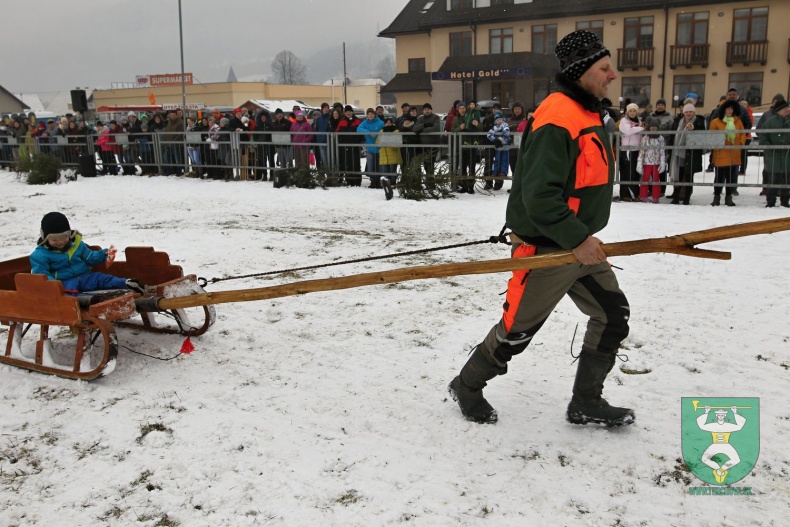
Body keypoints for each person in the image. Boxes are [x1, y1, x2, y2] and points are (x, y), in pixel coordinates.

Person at [448, 30, 633, 427]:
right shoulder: (558, 116)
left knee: (612, 315)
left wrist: (581, 240)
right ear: (582, 71)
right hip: (550, 248)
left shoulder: (585, 112)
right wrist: (579, 240)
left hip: (577, 244)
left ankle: (586, 401)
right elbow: (539, 198)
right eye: (604, 68)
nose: (612, 75)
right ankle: (466, 385)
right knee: (516, 333)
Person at [30, 212, 145, 296]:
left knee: (101, 278)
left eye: (64, 237)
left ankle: (126, 284)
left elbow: (89, 257)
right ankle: (87, 301)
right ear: (45, 238)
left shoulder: (77, 245)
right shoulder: (40, 255)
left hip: (84, 277)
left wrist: (103, 254)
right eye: (54, 240)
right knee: (70, 292)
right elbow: (42, 275)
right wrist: (55, 285)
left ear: (69, 234)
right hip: (64, 283)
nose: (60, 242)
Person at [708, 99, 746, 206]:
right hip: (720, 154)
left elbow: (743, 133)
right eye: (728, 109)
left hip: (734, 154)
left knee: (730, 179)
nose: (730, 111)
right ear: (723, 110)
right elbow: (712, 136)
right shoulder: (715, 122)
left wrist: (741, 143)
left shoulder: (738, 121)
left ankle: (728, 198)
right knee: (719, 178)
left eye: (731, 109)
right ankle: (717, 197)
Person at [668, 103, 706, 205]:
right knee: (678, 176)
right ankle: (676, 197)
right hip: (678, 153)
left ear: (694, 112)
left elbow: (703, 134)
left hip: (692, 154)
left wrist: (693, 128)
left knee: (689, 176)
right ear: (683, 112)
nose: (688, 114)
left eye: (691, 111)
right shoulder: (678, 122)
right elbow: (673, 136)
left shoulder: (699, 121)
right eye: (686, 112)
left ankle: (686, 198)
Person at [759, 99, 790, 208]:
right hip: (773, 156)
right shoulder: (770, 122)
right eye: (784, 108)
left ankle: (785, 201)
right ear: (778, 110)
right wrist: (769, 146)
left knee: (787, 180)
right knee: (772, 180)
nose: (787, 109)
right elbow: (762, 136)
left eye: (788, 107)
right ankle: (770, 201)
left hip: (787, 156)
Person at [636, 116, 666, 203]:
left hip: (656, 163)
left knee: (656, 180)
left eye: (655, 126)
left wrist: (662, 162)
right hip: (646, 162)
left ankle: (656, 197)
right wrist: (639, 162)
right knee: (645, 179)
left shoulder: (660, 138)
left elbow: (662, 151)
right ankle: (643, 195)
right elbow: (642, 151)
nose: (653, 128)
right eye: (652, 126)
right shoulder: (645, 138)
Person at [452, 101, 480, 194]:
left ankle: (471, 186)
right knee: (463, 167)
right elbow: (453, 131)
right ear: (458, 109)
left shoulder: (471, 116)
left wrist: (477, 124)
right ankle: (463, 186)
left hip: (471, 145)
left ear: (466, 108)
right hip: (461, 147)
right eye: (460, 108)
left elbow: (481, 128)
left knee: (471, 167)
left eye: (463, 108)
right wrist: (460, 128)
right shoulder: (456, 119)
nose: (462, 110)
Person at [618, 103, 644, 201]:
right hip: (627, 150)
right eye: (630, 111)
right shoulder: (624, 121)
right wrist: (641, 128)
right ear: (627, 112)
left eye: (634, 111)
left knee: (634, 172)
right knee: (628, 172)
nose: (632, 113)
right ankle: (627, 195)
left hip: (636, 149)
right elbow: (628, 131)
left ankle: (634, 193)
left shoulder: (639, 121)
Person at [650, 98, 674, 197]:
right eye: (658, 104)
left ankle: (662, 189)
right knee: (651, 167)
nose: (660, 106)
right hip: (651, 146)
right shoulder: (651, 116)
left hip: (664, 145)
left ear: (664, 106)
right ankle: (652, 188)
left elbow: (671, 131)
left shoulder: (669, 118)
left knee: (662, 167)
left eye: (662, 105)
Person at [335, 105, 363, 185]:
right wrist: (341, 141)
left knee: (356, 164)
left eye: (350, 111)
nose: (348, 113)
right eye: (347, 111)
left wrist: (357, 140)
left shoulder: (358, 121)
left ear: (352, 112)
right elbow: (337, 132)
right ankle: (349, 180)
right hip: (345, 146)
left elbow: (361, 133)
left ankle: (357, 181)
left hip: (355, 146)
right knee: (348, 163)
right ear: (344, 113)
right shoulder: (342, 121)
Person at [357, 108, 385, 188]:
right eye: (368, 114)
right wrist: (368, 132)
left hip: (379, 148)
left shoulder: (380, 123)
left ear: (374, 114)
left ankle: (378, 181)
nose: (370, 115)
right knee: (370, 166)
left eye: (371, 114)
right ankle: (372, 181)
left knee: (378, 166)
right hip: (370, 148)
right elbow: (358, 129)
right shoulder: (365, 123)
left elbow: (384, 131)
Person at [412, 102, 441, 176]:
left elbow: (436, 128)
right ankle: (429, 181)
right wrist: (424, 125)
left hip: (433, 145)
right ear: (423, 111)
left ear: (431, 110)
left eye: (428, 109)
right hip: (423, 145)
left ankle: (431, 182)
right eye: (425, 109)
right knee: (425, 164)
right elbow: (415, 129)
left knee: (430, 164)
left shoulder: (435, 117)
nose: (427, 111)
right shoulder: (420, 118)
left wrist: (422, 130)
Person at [485, 112, 511, 190]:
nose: (499, 121)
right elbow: (489, 134)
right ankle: (495, 172)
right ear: (495, 121)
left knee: (504, 160)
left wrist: (500, 138)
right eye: (498, 120)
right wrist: (495, 140)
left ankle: (503, 172)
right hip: (498, 147)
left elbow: (506, 133)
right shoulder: (494, 127)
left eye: (500, 119)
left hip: (505, 147)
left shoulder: (505, 125)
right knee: (497, 160)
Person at [378, 117, 401, 186]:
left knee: (392, 171)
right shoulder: (381, 131)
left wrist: (387, 141)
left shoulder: (396, 131)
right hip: (383, 155)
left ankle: (393, 184)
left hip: (392, 155)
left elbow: (397, 143)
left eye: (389, 123)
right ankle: (386, 185)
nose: (388, 124)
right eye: (386, 123)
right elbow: (377, 142)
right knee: (385, 172)